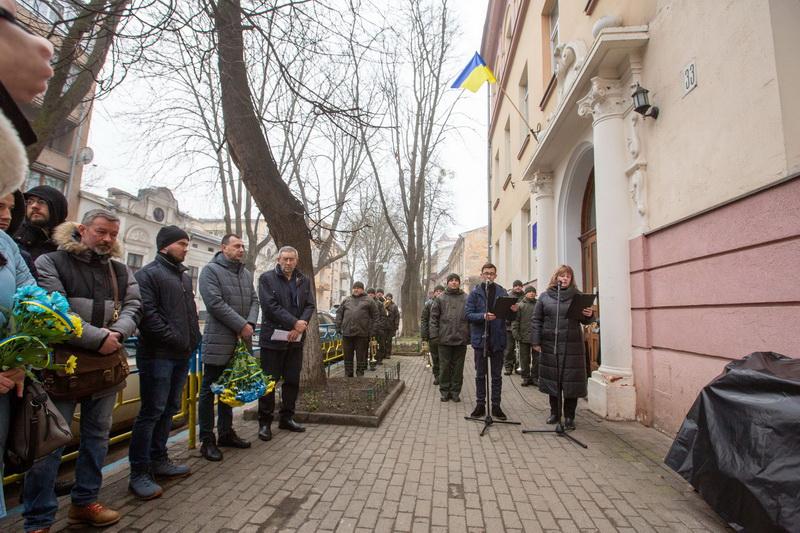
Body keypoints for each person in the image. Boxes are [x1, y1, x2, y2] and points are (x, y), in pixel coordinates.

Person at [24, 209, 141, 530]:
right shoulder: (51, 262)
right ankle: (39, 519)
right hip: (61, 368)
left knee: (96, 438)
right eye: (101, 231)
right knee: (50, 442)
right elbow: (54, 310)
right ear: (81, 229)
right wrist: (100, 337)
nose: (107, 239)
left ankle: (85, 501)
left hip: (104, 366)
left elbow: (134, 305)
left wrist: (118, 333)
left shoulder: (119, 270)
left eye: (113, 234)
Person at [128, 226, 200, 500]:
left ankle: (159, 459)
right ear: (164, 246)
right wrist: (178, 339)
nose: (186, 248)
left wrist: (194, 338)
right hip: (158, 355)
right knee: (152, 411)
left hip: (181, 355)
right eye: (181, 244)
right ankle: (139, 471)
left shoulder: (181, 276)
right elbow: (149, 316)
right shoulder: (148, 274)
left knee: (169, 408)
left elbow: (189, 313)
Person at [197, 234, 259, 461]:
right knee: (208, 391)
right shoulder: (210, 271)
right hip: (218, 341)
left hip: (240, 341)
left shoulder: (245, 273)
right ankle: (207, 439)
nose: (241, 249)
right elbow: (214, 303)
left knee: (229, 390)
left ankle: (225, 432)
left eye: (243, 246)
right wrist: (241, 324)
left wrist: (249, 324)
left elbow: (255, 300)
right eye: (237, 246)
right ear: (224, 248)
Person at [257, 246, 315, 441]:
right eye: (285, 259)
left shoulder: (303, 280)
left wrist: (300, 325)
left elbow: (309, 305)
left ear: (296, 261)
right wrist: (294, 322)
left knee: (292, 380)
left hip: (295, 339)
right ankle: (265, 422)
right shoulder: (266, 279)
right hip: (273, 339)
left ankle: (287, 417)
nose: (288, 263)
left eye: (291, 259)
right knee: (269, 382)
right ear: (278, 259)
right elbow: (270, 306)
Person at [532, 265, 594, 430]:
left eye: (568, 276)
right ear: (556, 277)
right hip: (550, 344)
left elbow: (586, 320)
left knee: (571, 382)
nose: (565, 278)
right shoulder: (545, 297)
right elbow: (537, 320)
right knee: (554, 380)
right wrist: (536, 342)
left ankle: (569, 417)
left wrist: (590, 315)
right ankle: (554, 413)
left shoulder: (578, 296)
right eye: (562, 275)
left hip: (572, 345)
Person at [465, 263, 517, 420]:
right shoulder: (474, 293)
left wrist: (513, 312)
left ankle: (496, 406)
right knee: (480, 375)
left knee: (496, 376)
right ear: (481, 275)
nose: (489, 276)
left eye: (491, 273)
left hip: (498, 338)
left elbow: (509, 317)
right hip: (481, 339)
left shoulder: (502, 292)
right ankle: (480, 404)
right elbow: (467, 315)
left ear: (495, 275)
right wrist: (482, 316)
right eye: (486, 273)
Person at [429, 275, 469, 403]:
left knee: (458, 367)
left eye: (456, 280)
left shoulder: (466, 298)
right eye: (451, 280)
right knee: (444, 366)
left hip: (460, 338)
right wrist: (434, 335)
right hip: (444, 338)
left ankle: (455, 392)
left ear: (459, 283)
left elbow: (470, 318)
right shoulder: (440, 298)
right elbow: (433, 318)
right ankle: (445, 391)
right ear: (447, 283)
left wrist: (470, 336)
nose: (454, 282)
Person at [13, 184, 68, 261]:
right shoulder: (12, 238)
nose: (34, 206)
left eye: (41, 202)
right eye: (29, 202)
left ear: (57, 209)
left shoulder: (71, 248)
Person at [335, 281, 378, 377]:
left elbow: (376, 317)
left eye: (358, 288)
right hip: (347, 333)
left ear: (362, 289)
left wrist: (372, 331)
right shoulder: (346, 300)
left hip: (362, 334)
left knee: (361, 357)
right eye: (354, 287)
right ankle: (348, 375)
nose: (356, 289)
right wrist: (338, 326)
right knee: (347, 356)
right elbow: (339, 313)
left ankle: (360, 375)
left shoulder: (369, 301)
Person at [512, 286, 538, 386]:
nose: (532, 293)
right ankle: (526, 377)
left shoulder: (539, 304)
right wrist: (515, 333)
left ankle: (535, 377)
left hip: (536, 336)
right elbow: (516, 320)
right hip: (523, 336)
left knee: (537, 359)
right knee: (524, 358)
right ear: (526, 293)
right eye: (529, 291)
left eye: (533, 291)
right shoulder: (520, 305)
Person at [420, 285, 444, 384]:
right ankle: (437, 376)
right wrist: (424, 335)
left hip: (444, 334)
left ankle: (444, 376)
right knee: (435, 357)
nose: (439, 293)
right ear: (434, 293)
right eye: (437, 291)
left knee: (444, 358)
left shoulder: (446, 302)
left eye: (441, 291)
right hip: (432, 335)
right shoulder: (428, 304)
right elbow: (424, 320)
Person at [504, 280, 525, 375]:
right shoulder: (508, 297)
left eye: (519, 286)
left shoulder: (525, 297)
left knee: (520, 349)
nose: (518, 287)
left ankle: (518, 367)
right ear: (513, 287)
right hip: (509, 328)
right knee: (509, 349)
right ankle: (508, 367)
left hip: (521, 327)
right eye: (516, 285)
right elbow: (505, 312)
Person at [384, 292, 400, 358]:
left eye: (390, 297)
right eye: (387, 296)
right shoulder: (383, 304)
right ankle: (383, 353)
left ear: (391, 298)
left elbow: (397, 316)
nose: (388, 298)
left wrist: (396, 325)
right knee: (383, 340)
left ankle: (388, 353)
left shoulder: (394, 306)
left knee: (389, 340)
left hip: (391, 326)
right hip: (383, 326)